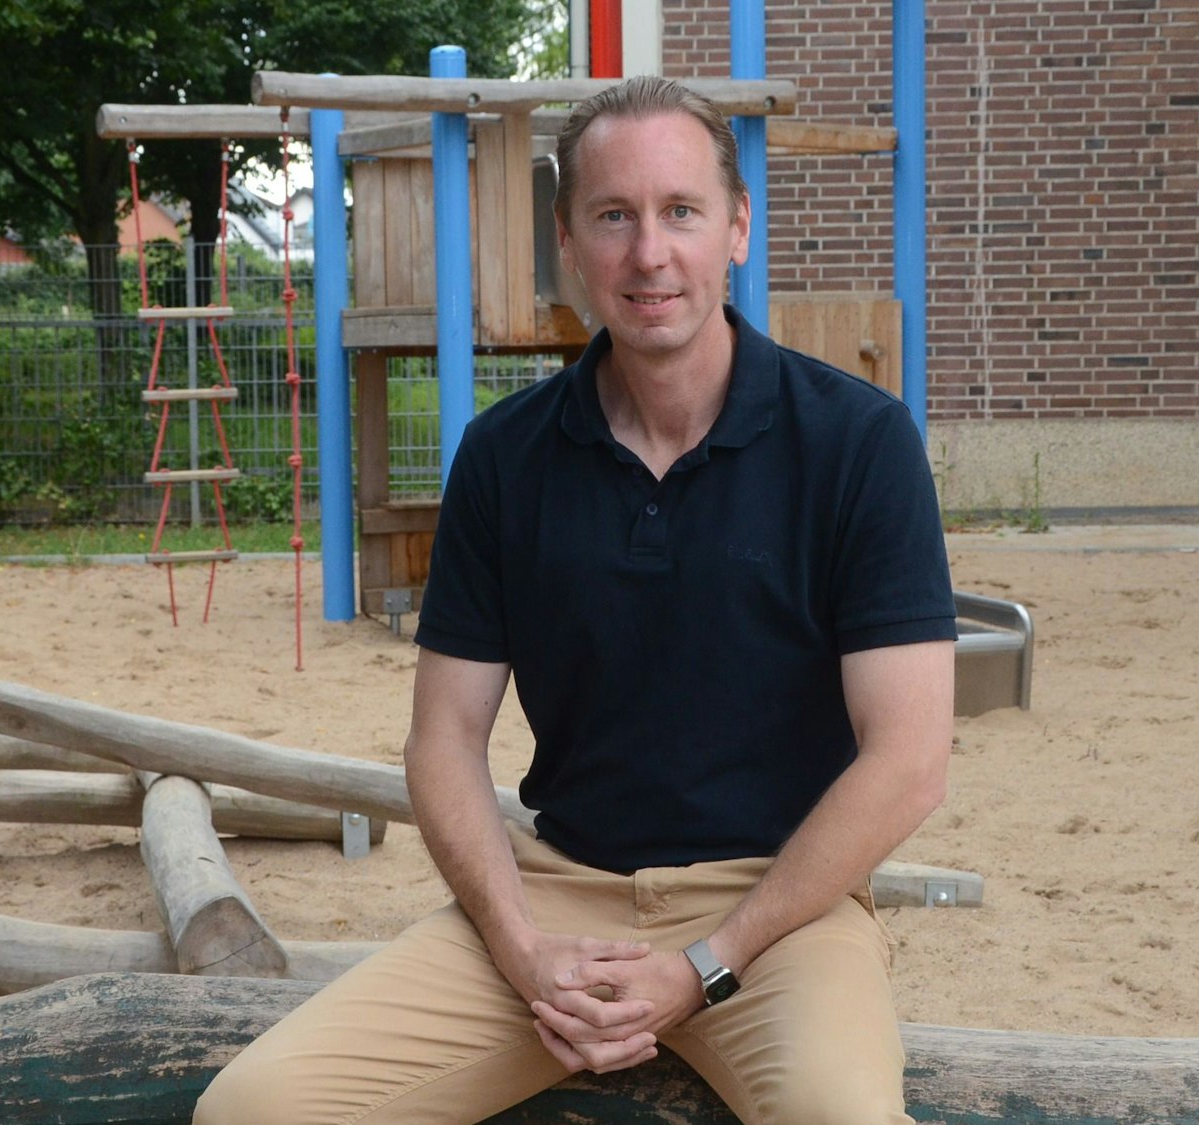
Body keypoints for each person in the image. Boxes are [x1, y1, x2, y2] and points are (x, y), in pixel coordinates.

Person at [192, 75, 956, 1125]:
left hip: (776, 913)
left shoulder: (857, 445)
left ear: (735, 228)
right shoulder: (504, 458)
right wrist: (519, 950)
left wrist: (705, 963)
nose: (649, 254)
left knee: (843, 1117)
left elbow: (908, 759)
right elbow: (443, 743)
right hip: (553, 893)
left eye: (680, 211)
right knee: (256, 1110)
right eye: (613, 216)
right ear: (567, 244)